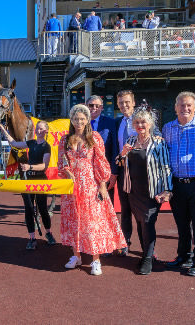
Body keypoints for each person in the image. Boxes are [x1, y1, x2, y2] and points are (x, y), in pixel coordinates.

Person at [58, 105, 127, 276]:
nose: (79, 122)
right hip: (71, 186)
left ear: (87, 120)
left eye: (82, 119)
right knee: (74, 219)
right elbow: (61, 161)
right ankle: (76, 256)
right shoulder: (65, 139)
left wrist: (103, 184)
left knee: (91, 222)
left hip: (90, 184)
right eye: (76, 119)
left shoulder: (94, 137)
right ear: (71, 120)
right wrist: (66, 170)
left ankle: (96, 260)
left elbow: (101, 162)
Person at [117, 109, 172, 275]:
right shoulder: (131, 140)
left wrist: (168, 190)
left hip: (151, 192)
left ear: (150, 124)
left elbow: (165, 168)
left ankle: (148, 258)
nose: (140, 125)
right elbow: (119, 162)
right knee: (140, 223)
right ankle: (145, 254)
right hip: (133, 191)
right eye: (137, 123)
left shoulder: (158, 143)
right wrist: (123, 154)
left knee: (148, 223)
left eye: (143, 122)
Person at [162, 91, 195, 276]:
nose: (185, 108)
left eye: (189, 105)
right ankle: (183, 256)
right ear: (175, 107)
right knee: (182, 225)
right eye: (181, 105)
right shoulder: (167, 128)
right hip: (177, 184)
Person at [0, 121, 57, 249]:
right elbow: (14, 143)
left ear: (46, 131)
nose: (39, 131)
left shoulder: (46, 146)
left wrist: (29, 166)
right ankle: (32, 238)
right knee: (29, 209)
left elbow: (44, 166)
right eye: (37, 129)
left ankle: (48, 233)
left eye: (41, 129)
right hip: (28, 180)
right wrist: (3, 129)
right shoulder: (31, 143)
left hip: (40, 180)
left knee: (42, 209)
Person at [114, 90, 137, 255]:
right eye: (121, 103)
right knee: (125, 209)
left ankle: (147, 248)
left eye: (127, 102)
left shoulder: (143, 120)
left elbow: (157, 137)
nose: (124, 105)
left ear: (133, 103)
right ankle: (125, 242)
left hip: (140, 173)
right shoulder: (117, 122)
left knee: (142, 212)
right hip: (123, 171)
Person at [86, 95, 118, 200]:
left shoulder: (110, 123)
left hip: (105, 171)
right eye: (91, 105)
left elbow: (114, 148)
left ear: (102, 108)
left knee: (107, 202)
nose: (94, 108)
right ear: (86, 106)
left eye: (97, 106)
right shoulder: (80, 122)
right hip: (86, 171)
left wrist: (114, 172)